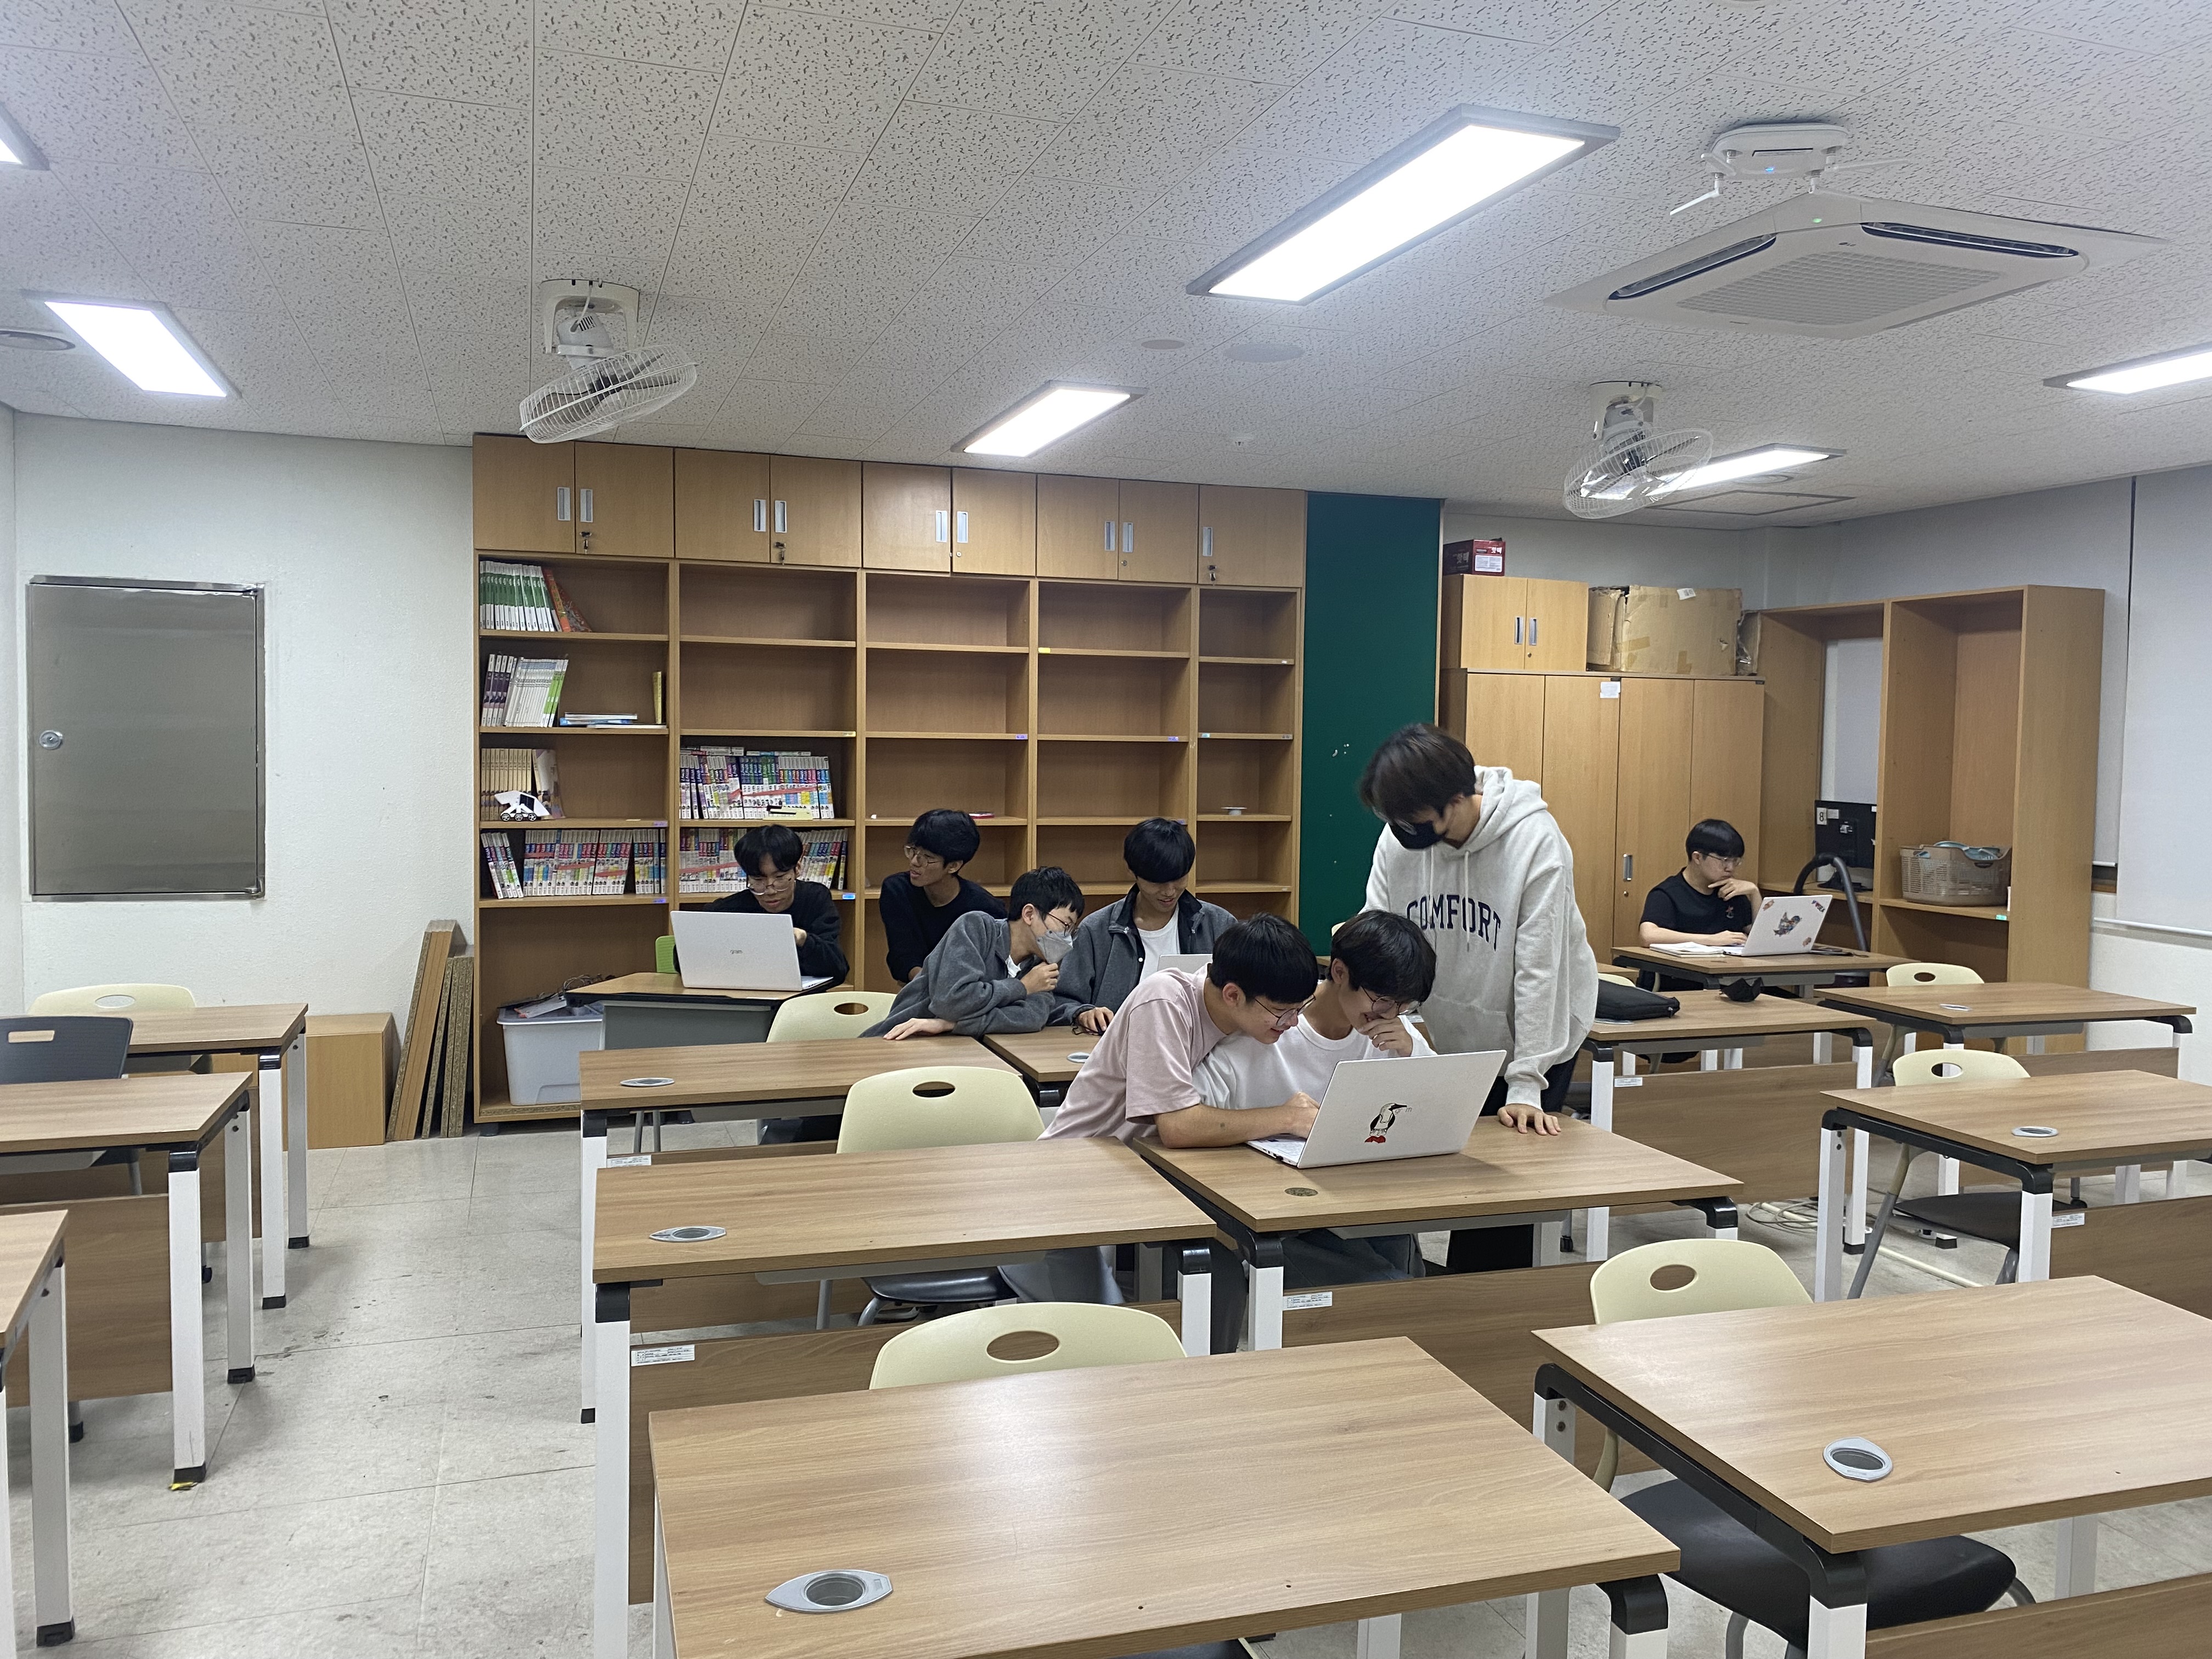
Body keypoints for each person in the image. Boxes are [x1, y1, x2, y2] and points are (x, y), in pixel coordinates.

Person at [1359, 723, 1595, 1272]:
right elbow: (1380, 926)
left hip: (1533, 1037)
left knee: (1501, 1201)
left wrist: (1526, 1084)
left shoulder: (1535, 842)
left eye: (1416, 819)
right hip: (1449, 1032)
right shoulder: (1400, 836)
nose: (1405, 831)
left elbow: (1541, 971)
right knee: (1443, 1180)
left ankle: (1487, 1312)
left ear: (1456, 799)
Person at [1024, 912, 1321, 1328]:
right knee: (1102, 1332)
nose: (1292, 1024)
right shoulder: (1165, 1001)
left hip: (1144, 1179)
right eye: (1282, 1012)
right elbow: (1178, 1127)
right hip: (1068, 1185)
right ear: (1233, 995)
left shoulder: (1243, 1019)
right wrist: (1287, 1117)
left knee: (1220, 1278)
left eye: (1300, 1009)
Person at [1192, 909, 1436, 1291]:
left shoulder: (1394, 1033)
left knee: (1404, 1265)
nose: (1392, 1014)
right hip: (1280, 1214)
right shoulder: (1269, 1024)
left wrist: (1412, 1053)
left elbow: (1440, 1110)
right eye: (1384, 1001)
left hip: (1363, 1201)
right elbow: (1190, 1119)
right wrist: (1280, 1120)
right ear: (1339, 972)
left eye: (1404, 1006)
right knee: (1396, 1291)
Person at [862, 866, 1090, 1040]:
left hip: (960, 1048)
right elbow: (951, 1002)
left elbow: (1031, 1018)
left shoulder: (1041, 966)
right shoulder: (976, 928)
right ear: (1029, 914)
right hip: (902, 1040)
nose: (1067, 938)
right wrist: (1022, 987)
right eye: (1065, 925)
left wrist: (951, 1025)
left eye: (1072, 930)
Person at [1059, 817, 1236, 1025]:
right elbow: (1063, 1000)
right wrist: (1082, 1013)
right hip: (1122, 1040)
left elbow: (1247, 992)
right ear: (1132, 871)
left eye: (1179, 878)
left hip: (1202, 1040)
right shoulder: (1096, 931)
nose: (1169, 891)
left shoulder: (1220, 924)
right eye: (1157, 882)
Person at [704, 823, 848, 983]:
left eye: (780, 878)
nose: (770, 890)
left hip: (805, 996)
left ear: (797, 869)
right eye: (758, 880)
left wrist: (803, 939)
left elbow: (838, 969)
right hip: (746, 993)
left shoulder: (815, 898)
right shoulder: (730, 909)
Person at [876, 809, 1004, 984]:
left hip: (969, 992)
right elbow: (902, 956)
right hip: (918, 987)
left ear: (953, 866)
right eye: (913, 851)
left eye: (927, 857)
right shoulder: (897, 890)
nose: (914, 862)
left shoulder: (986, 909)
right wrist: (929, 985)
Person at [1639, 819, 1760, 946]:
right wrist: (1711, 940)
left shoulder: (1732, 892)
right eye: (1724, 860)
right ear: (1697, 857)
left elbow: (1762, 938)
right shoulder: (1667, 893)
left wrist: (1754, 893)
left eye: (1735, 861)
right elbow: (1648, 936)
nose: (1730, 868)